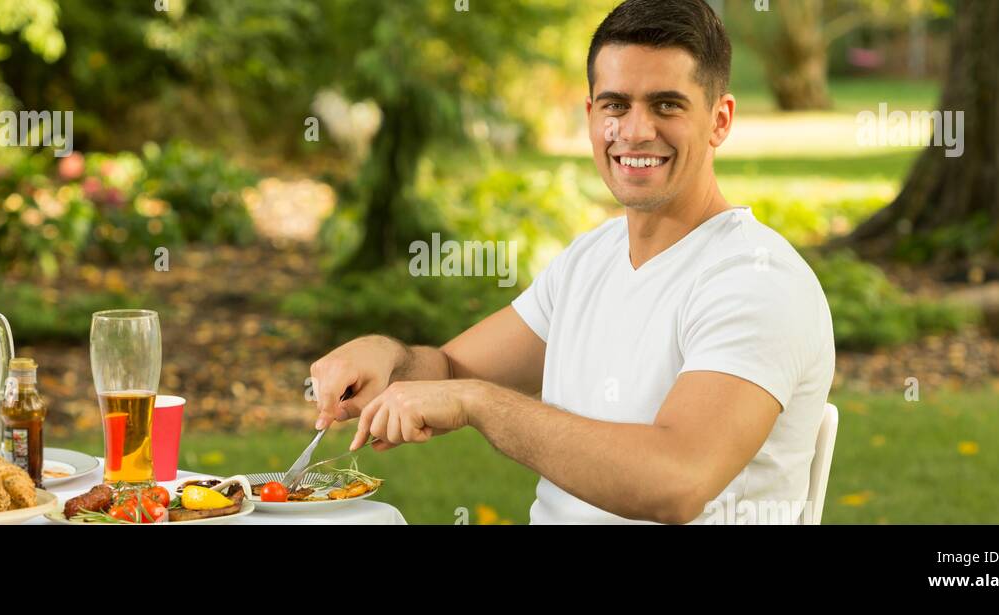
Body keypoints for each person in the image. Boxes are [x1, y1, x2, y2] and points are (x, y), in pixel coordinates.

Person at [309, 0, 835, 524]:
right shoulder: (591, 258)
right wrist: (384, 356)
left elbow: (677, 483)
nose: (634, 131)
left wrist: (481, 403)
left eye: (667, 106)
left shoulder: (756, 281)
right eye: (615, 105)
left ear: (719, 120)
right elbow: (447, 370)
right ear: (591, 116)